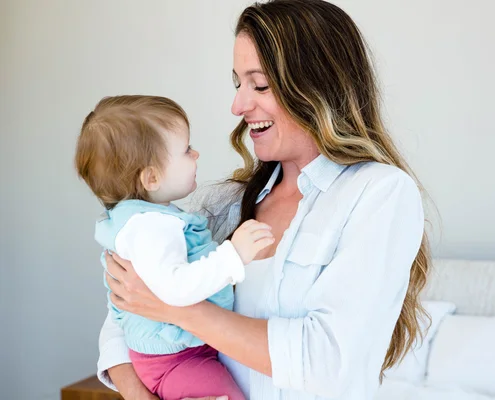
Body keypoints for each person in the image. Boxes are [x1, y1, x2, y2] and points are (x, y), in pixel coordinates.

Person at [98, 1, 431, 399]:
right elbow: (125, 311)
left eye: (259, 85)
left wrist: (175, 306)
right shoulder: (220, 204)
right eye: (237, 83)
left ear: (317, 85)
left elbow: (326, 361)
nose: (238, 106)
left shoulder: (379, 194)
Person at [76, 95, 274, 400]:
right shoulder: (151, 228)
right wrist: (233, 255)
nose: (195, 154)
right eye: (185, 150)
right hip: (176, 360)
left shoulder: (140, 222)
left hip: (173, 355)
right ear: (151, 177)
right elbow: (175, 290)